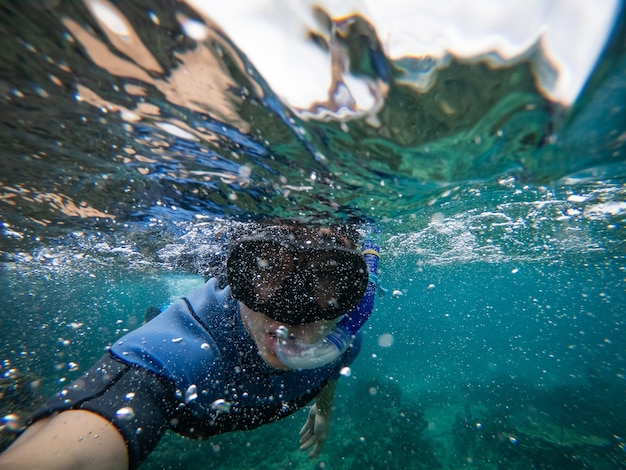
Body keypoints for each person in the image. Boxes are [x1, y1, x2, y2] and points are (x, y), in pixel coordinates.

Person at [0, 223, 380, 469]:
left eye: (328, 277)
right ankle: (158, 310)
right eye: (267, 269)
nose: (292, 312)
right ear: (237, 276)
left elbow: (337, 360)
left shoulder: (344, 336)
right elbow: (82, 438)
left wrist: (322, 405)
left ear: (352, 293)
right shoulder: (178, 347)